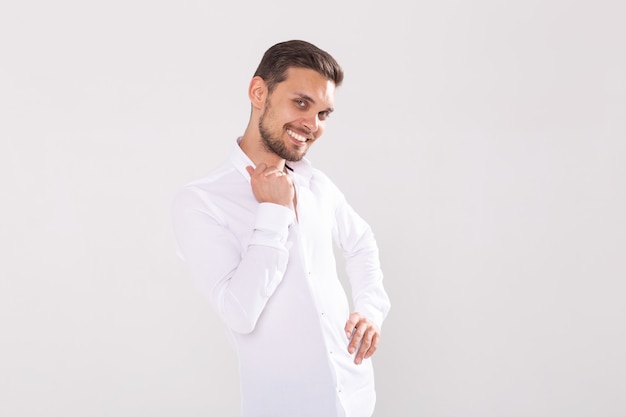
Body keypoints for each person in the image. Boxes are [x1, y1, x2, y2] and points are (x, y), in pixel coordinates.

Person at [171, 39, 391, 417]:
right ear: (259, 92)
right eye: (301, 103)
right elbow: (238, 312)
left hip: (355, 398)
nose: (313, 125)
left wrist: (370, 310)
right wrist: (273, 213)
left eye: (324, 113)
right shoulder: (201, 202)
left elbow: (362, 243)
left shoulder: (317, 184)